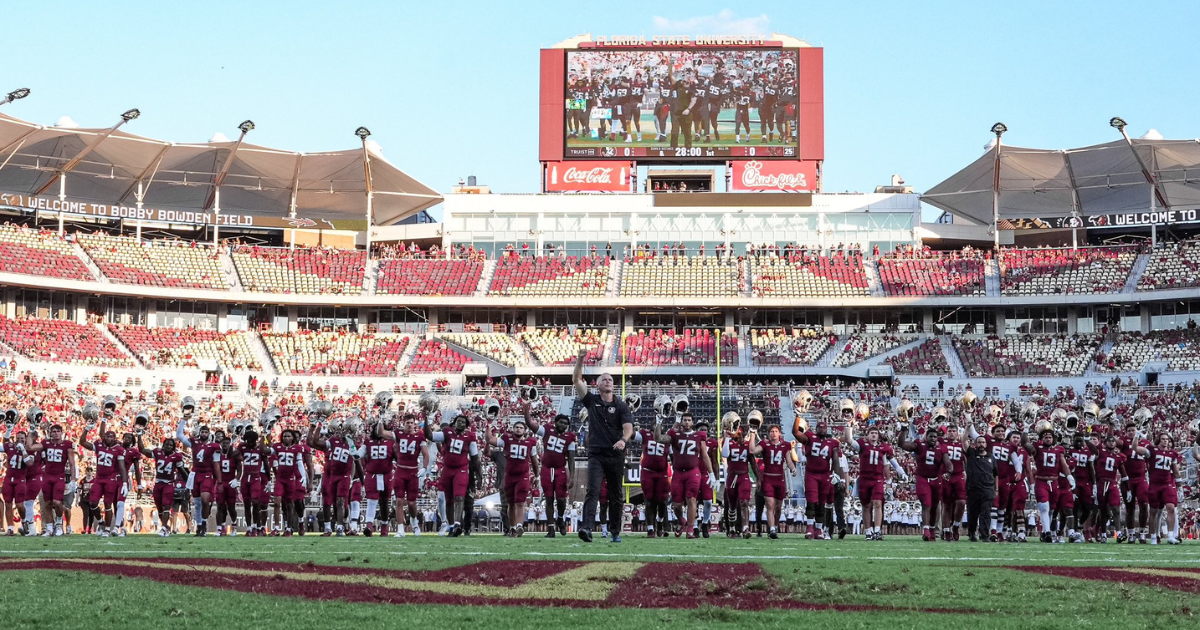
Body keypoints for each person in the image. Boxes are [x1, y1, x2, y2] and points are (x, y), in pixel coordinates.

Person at [573, 349, 633, 543]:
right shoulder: (592, 401)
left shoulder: (622, 406)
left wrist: (623, 440)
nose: (608, 381)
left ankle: (615, 531)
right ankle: (587, 528)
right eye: (604, 379)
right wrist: (580, 359)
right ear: (597, 385)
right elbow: (576, 380)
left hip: (615, 454)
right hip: (597, 453)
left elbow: (628, 428)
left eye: (610, 380)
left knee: (616, 494)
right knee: (593, 490)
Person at [654, 410, 716, 539]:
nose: (687, 422)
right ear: (681, 422)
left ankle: (690, 530)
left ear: (693, 422)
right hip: (678, 472)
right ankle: (681, 520)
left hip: (693, 472)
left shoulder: (699, 436)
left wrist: (711, 474)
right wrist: (659, 422)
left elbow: (705, 456)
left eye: (689, 420)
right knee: (677, 504)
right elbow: (658, 438)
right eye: (684, 420)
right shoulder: (675, 434)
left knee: (692, 500)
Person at [423, 413, 480, 537]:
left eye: (464, 422)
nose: (461, 424)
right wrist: (426, 418)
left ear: (467, 425)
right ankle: (451, 525)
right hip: (447, 469)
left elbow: (475, 458)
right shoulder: (447, 433)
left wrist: (479, 476)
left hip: (461, 469)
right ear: (454, 423)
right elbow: (429, 435)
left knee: (459, 497)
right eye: (459, 421)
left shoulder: (470, 437)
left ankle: (458, 524)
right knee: (448, 500)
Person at [524, 406, 576, 538]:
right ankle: (551, 528)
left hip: (560, 469)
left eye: (565, 423)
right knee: (548, 499)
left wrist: (572, 477)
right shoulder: (547, 430)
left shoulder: (570, 437)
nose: (563, 425)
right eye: (561, 422)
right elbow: (530, 424)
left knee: (561, 499)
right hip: (547, 468)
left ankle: (560, 518)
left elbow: (571, 458)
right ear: (555, 422)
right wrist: (525, 407)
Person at [487, 418, 540, 537]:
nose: (518, 429)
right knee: (510, 504)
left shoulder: (530, 442)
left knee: (520, 502)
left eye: (521, 427)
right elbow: (489, 440)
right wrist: (488, 425)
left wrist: (537, 476)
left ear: (525, 430)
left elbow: (534, 461)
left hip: (523, 476)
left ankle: (519, 526)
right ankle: (512, 527)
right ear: (512, 429)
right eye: (516, 427)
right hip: (509, 476)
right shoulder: (507, 440)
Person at [746, 424, 796, 539]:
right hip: (768, 478)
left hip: (780, 478)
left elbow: (788, 460)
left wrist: (793, 469)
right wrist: (752, 435)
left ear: (779, 433)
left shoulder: (785, 445)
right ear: (768, 434)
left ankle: (775, 526)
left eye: (775, 431)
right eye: (771, 431)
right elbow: (752, 450)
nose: (773, 433)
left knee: (778, 507)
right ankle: (772, 529)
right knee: (770, 505)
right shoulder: (765, 444)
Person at [963, 434, 997, 542]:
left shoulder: (991, 457)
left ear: (986, 444)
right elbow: (963, 441)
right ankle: (972, 533)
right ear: (975, 444)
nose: (981, 444)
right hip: (973, 489)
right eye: (979, 442)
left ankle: (985, 535)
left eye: (983, 442)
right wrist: (967, 427)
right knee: (972, 513)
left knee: (986, 513)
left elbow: (995, 474)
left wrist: (996, 489)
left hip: (988, 490)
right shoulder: (971, 454)